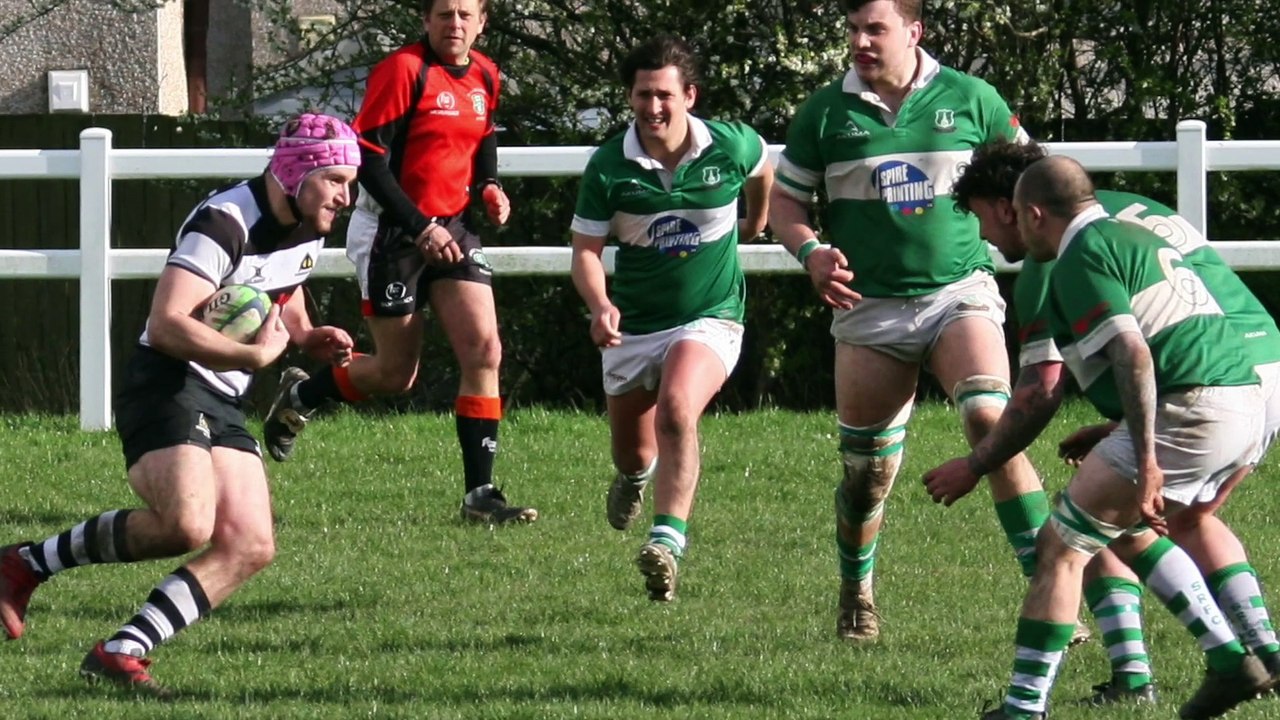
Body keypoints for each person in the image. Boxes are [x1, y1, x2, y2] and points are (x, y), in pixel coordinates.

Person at [0, 113, 359, 696]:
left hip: (221, 396)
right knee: (187, 523)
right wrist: (254, 360)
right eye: (338, 181)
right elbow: (166, 325)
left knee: (250, 542)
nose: (346, 197)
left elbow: (280, 296)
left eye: (350, 183)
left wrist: (305, 335)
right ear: (297, 172)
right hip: (167, 381)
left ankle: (121, 651)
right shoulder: (224, 221)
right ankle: (24, 564)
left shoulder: (307, 225)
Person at [921, 138, 1280, 709]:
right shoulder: (1131, 225)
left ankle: (1026, 705)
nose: (987, 235)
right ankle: (1241, 654)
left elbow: (1118, 359)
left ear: (1025, 210)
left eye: (987, 217)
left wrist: (977, 464)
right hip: (1248, 390)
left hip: (1195, 405)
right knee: (1131, 523)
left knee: (1060, 547)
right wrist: (1124, 434)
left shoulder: (1073, 255)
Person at [767, 0, 1045, 641]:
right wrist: (810, 253)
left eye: (876, 29)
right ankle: (856, 590)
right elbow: (786, 202)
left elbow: (1033, 176)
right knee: (867, 475)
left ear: (914, 32)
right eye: (854, 29)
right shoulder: (825, 113)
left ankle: (1047, 584)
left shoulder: (970, 98)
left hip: (959, 292)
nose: (861, 41)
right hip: (869, 309)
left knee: (990, 419)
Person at [261, 0, 535, 525]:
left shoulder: (485, 74)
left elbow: (484, 137)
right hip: (392, 230)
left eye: (464, 14)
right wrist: (419, 227)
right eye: (443, 14)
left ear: (483, 21)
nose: (454, 24)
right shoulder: (404, 71)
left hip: (453, 226)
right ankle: (301, 393)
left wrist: (489, 185)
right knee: (393, 374)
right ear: (426, 21)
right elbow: (367, 159)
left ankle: (481, 497)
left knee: (484, 350)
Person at [569, 35, 773, 602]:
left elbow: (762, 169)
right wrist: (601, 305)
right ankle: (635, 480)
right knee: (633, 453)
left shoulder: (728, 144)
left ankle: (666, 542)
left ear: (689, 95)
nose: (653, 108)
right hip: (633, 324)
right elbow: (585, 252)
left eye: (663, 95)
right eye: (642, 96)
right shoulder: (610, 165)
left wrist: (756, 221)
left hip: (711, 317)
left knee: (679, 407)